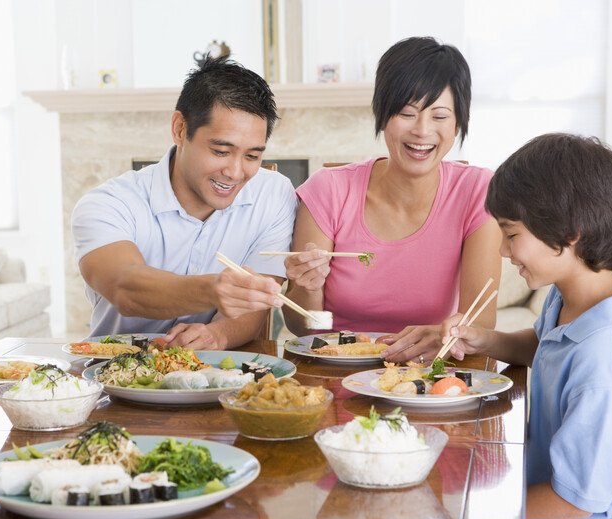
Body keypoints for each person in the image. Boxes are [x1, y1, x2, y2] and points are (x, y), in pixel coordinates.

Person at [442, 134, 612, 519]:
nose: (504, 253)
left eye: (511, 235)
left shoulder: (603, 363)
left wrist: (474, 514)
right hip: (539, 490)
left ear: (569, 233)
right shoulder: (574, 295)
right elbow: (544, 344)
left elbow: (573, 502)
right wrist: (485, 339)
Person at [283, 36, 501, 363]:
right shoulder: (328, 190)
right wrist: (308, 287)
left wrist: (450, 334)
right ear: (383, 115)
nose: (422, 131)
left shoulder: (478, 192)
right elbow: (302, 328)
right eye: (406, 113)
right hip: (336, 368)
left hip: (426, 372)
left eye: (439, 116)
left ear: (458, 123)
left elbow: (480, 323)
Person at [72, 57, 297, 350]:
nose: (235, 172)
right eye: (220, 151)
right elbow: (125, 288)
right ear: (180, 128)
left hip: (216, 373)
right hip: (115, 369)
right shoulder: (109, 204)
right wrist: (214, 289)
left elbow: (254, 308)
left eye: (252, 156)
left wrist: (218, 334)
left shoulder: (274, 195)